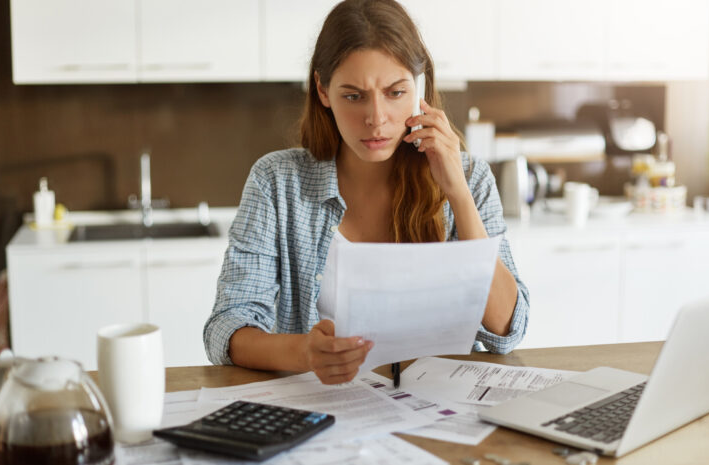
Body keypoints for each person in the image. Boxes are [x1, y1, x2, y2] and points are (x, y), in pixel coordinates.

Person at [204, 0, 529, 385]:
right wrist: (304, 352)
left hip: (437, 410)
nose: (376, 118)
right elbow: (226, 326)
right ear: (323, 90)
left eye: (395, 92)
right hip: (322, 411)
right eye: (354, 96)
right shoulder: (277, 182)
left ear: (420, 86)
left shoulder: (470, 177)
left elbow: (508, 329)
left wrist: (457, 193)